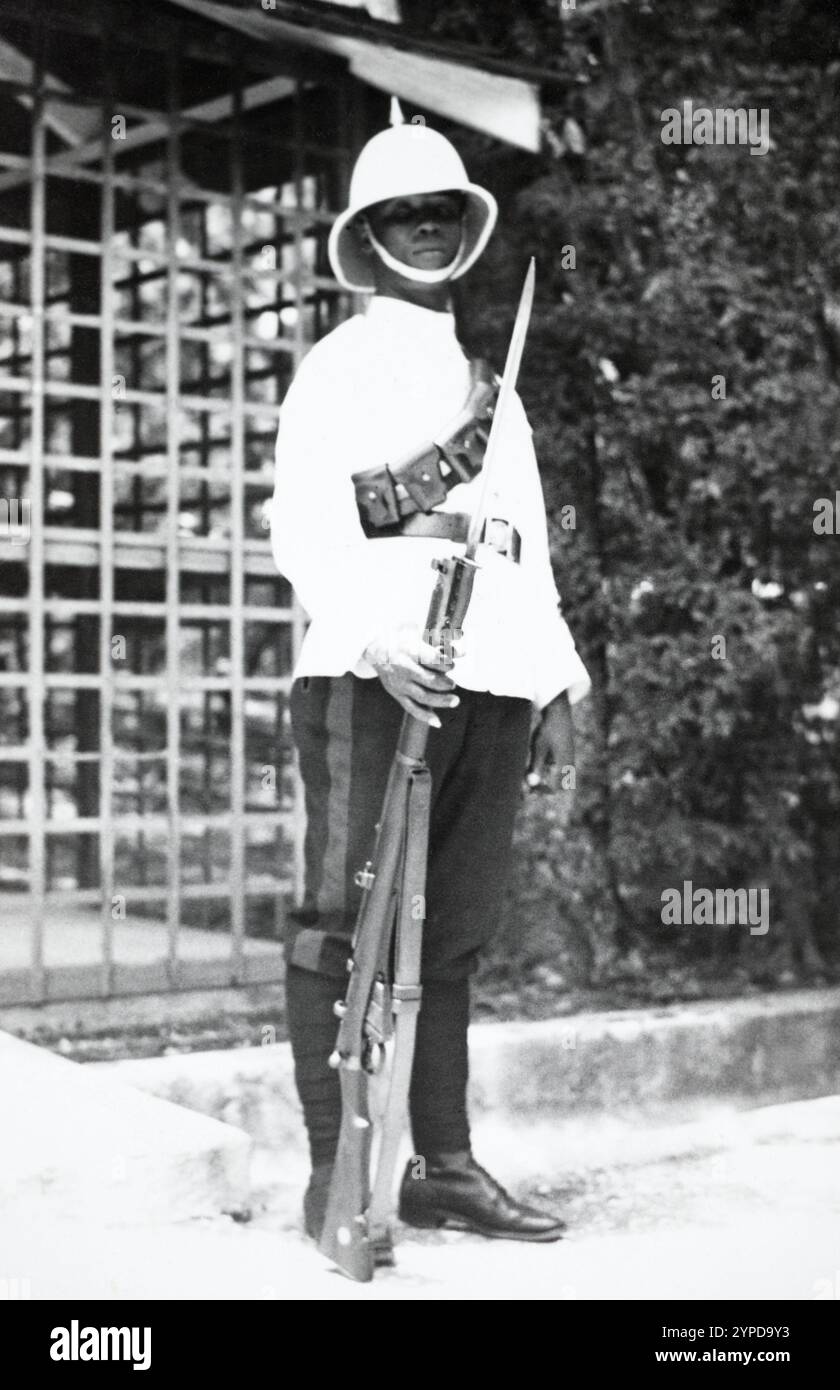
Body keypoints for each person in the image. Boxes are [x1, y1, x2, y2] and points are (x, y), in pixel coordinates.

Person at [270, 110, 590, 1248]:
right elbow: (300, 527)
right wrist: (368, 632)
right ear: (368, 232)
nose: (425, 226)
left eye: (442, 210)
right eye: (402, 211)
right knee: (340, 925)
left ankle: (441, 1165)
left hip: (489, 680)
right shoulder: (337, 367)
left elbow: (523, 549)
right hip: (374, 675)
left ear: (465, 229)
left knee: (450, 929)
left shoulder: (495, 396)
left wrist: (555, 681)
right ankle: (335, 1174)